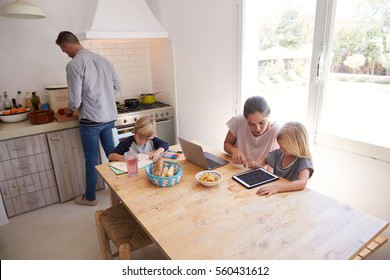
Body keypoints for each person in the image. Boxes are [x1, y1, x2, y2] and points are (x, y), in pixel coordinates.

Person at [55, 31, 121, 206]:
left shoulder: (74, 64)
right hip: (109, 118)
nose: (66, 54)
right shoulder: (104, 60)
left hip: (91, 121)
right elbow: (117, 86)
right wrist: (103, 99)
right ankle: (122, 191)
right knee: (112, 155)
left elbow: (75, 102)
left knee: (91, 160)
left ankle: (90, 198)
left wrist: (66, 110)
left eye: (64, 50)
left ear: (67, 45)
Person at [256, 121, 314, 196]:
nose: (281, 149)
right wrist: (255, 164)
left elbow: (302, 183)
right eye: (280, 146)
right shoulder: (279, 153)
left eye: (285, 147)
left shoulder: (303, 162)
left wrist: (277, 188)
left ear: (296, 146)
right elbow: (265, 160)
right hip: (276, 195)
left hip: (292, 197)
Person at [224, 96, 280, 169]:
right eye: (251, 124)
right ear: (245, 118)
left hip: (261, 172)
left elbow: (272, 161)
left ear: (268, 116)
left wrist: (255, 165)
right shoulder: (239, 120)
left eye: (262, 123)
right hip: (237, 168)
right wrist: (234, 150)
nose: (257, 129)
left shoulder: (276, 131)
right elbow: (226, 144)